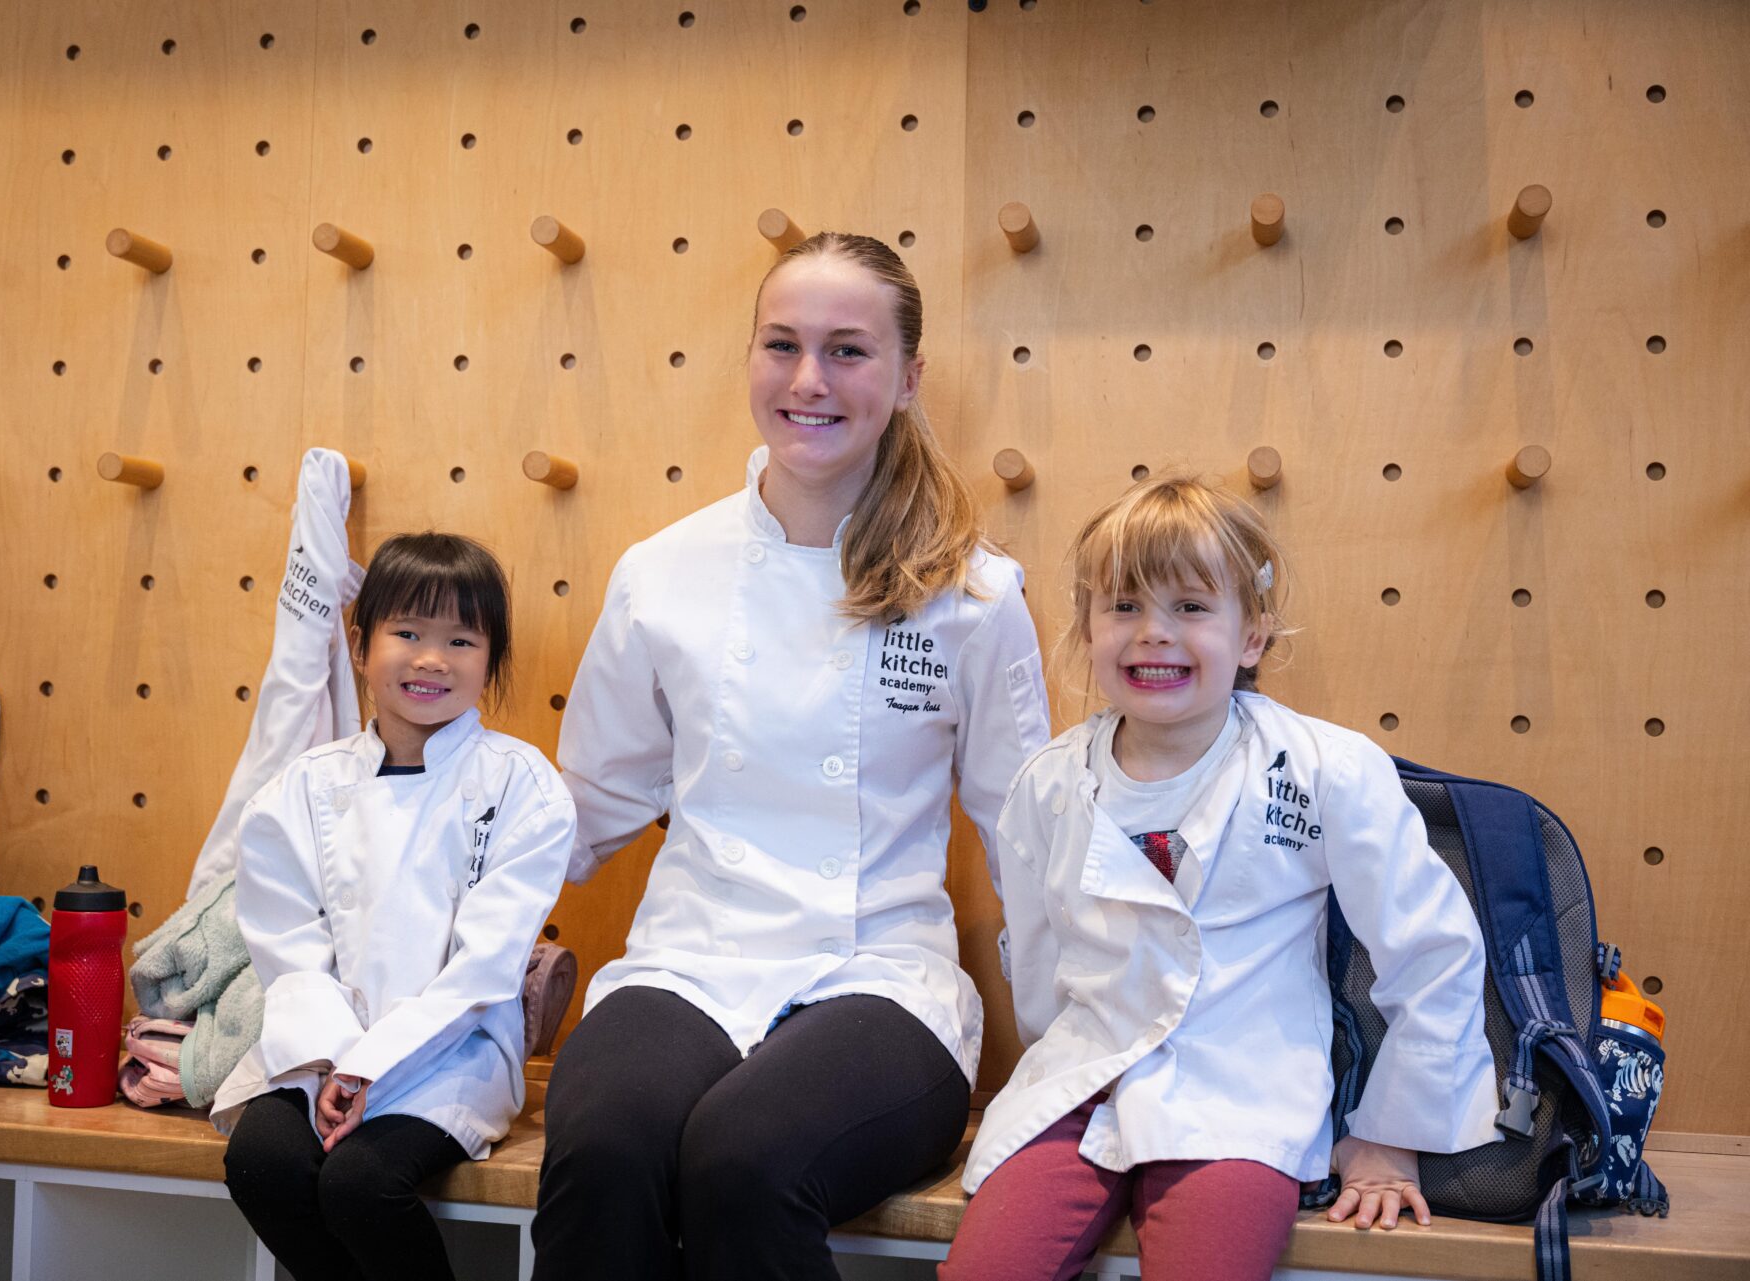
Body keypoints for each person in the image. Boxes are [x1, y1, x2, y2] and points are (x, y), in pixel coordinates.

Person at [533, 233, 1051, 1281]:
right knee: (603, 1150)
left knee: (744, 1158)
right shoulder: (663, 574)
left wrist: (1076, 1049)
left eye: (849, 351)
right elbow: (579, 813)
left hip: (881, 978)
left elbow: (1026, 841)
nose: (809, 380)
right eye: (783, 345)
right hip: (690, 960)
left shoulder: (975, 595)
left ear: (909, 378)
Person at [939, 476, 1500, 1281]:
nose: (1152, 634)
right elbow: (1037, 961)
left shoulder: (1326, 770)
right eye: (1123, 606)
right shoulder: (1048, 783)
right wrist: (1061, 1061)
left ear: (1253, 636)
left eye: (1192, 608)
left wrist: (1389, 1135)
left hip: (1240, 1098)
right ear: (1087, 630)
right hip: (1083, 1087)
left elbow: (1432, 950)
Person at [215, 532, 576, 1281]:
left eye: (460, 639)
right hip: (319, 1048)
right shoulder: (303, 788)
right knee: (262, 1163)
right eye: (407, 632)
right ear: (360, 643)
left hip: (454, 1053)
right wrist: (334, 1063)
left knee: (360, 1185)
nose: (431, 658)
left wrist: (374, 1065)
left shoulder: (522, 787)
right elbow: (289, 948)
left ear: (491, 659)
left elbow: (484, 967)